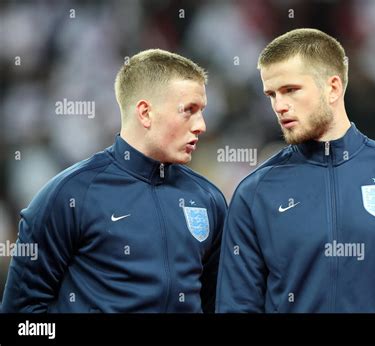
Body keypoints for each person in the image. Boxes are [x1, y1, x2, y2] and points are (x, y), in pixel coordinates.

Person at [216, 28, 375, 313]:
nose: (279, 106)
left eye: (290, 90)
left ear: (333, 87)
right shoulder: (255, 193)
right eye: (271, 94)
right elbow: (236, 308)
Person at [2, 49, 227, 313]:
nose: (201, 125)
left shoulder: (208, 199)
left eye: (201, 111)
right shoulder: (70, 195)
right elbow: (22, 320)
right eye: (189, 111)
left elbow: (218, 305)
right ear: (145, 113)